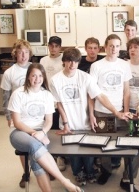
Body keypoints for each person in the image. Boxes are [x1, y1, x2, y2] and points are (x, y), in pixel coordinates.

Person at [50, 47, 128, 186]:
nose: (72, 65)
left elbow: (99, 96)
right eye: (69, 61)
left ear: (79, 62)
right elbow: (59, 104)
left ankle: (90, 171)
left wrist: (115, 112)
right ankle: (77, 173)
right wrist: (66, 123)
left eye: (75, 61)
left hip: (84, 120)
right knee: (73, 151)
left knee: (88, 150)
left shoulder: (85, 77)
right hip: (69, 122)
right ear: (64, 62)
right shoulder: (55, 80)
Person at [7, 63, 83, 192]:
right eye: (33, 76)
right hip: (19, 132)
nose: (37, 79)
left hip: (40, 132)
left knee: (37, 161)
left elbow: (48, 121)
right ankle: (65, 181)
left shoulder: (47, 95)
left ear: (44, 77)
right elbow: (17, 122)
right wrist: (35, 133)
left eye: (40, 76)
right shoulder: (18, 94)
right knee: (33, 144)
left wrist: (42, 132)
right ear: (28, 77)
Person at [89, 34, 132, 185]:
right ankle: (106, 171)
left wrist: (125, 111)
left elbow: (126, 91)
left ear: (120, 48)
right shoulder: (96, 66)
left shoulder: (125, 65)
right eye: (111, 46)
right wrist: (92, 114)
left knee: (129, 145)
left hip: (121, 111)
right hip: (102, 111)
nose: (114, 49)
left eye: (117, 46)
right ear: (105, 47)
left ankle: (127, 177)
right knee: (104, 144)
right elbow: (94, 94)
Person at [119, 37, 139, 192]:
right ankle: (125, 175)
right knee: (125, 144)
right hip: (125, 110)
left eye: (136, 47)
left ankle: (128, 178)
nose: (132, 50)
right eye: (130, 47)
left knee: (137, 146)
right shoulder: (122, 66)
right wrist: (125, 110)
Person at [0, 39, 32, 188]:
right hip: (18, 115)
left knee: (39, 142)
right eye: (20, 52)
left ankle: (44, 169)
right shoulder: (9, 72)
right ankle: (26, 172)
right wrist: (8, 117)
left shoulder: (35, 68)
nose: (23, 55)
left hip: (35, 113)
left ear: (29, 54)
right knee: (22, 147)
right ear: (15, 54)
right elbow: (5, 96)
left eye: (26, 52)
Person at [40, 36, 66, 172]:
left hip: (61, 101)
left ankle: (62, 156)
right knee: (49, 130)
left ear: (60, 47)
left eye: (56, 46)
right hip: (47, 101)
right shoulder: (43, 60)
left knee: (60, 129)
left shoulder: (64, 60)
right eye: (51, 46)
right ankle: (51, 157)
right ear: (48, 46)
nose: (53, 49)